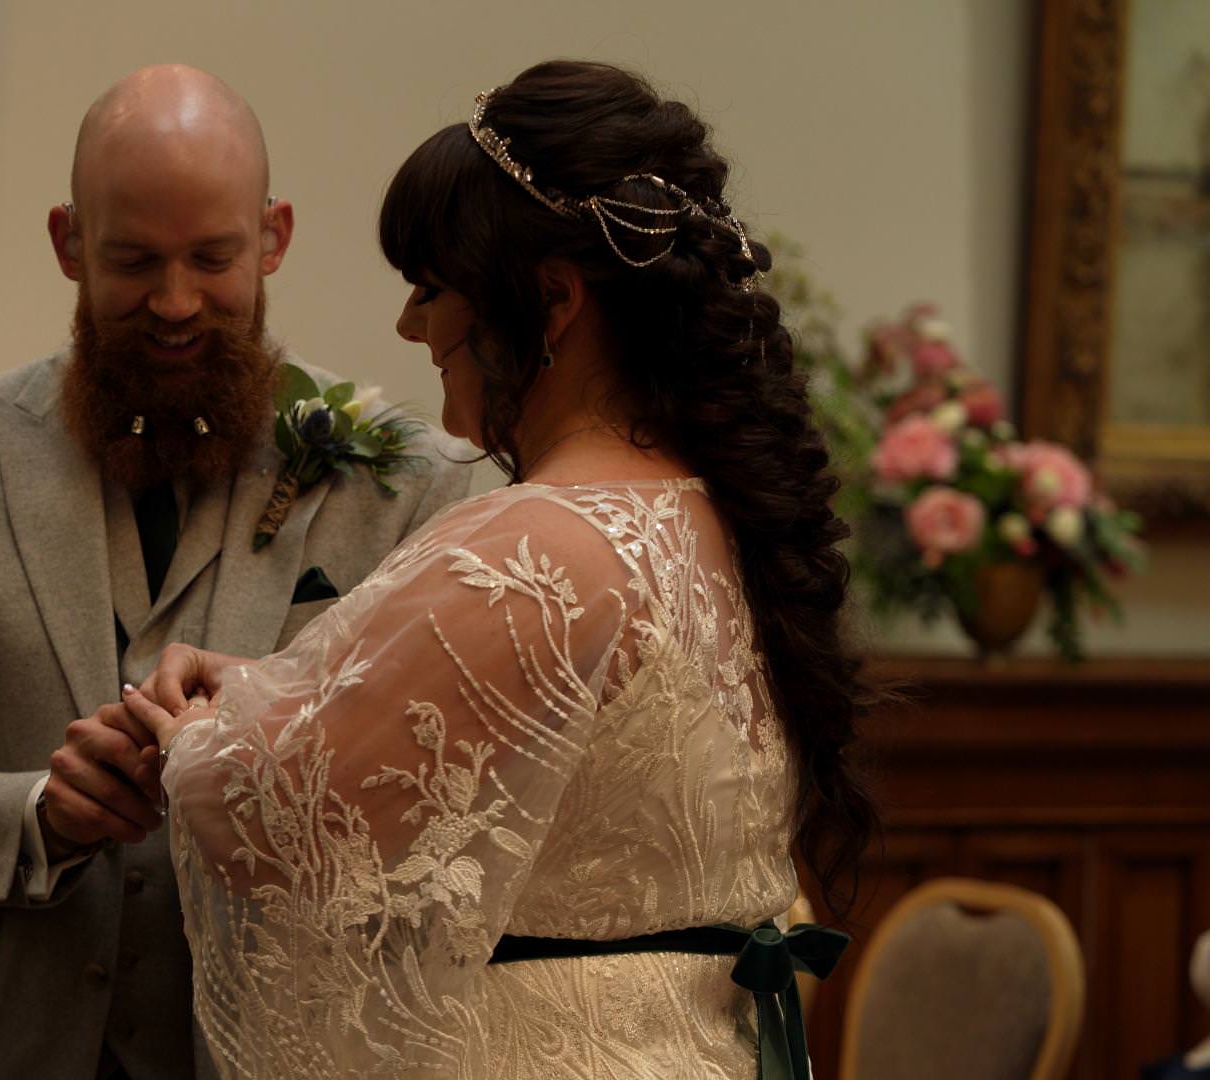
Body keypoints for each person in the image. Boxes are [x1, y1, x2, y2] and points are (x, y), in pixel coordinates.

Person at [110, 60, 879, 1079]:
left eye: (432, 288)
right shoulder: (721, 520)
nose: (411, 326)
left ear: (551, 300)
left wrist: (190, 738)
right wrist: (254, 688)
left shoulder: (531, 548)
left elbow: (278, 832)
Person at [0, 64, 473, 1080]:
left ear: (273, 237)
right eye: (133, 261)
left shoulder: (411, 484)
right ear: (69, 242)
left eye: (212, 259)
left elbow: (444, 809)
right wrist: (37, 812)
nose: (176, 303)